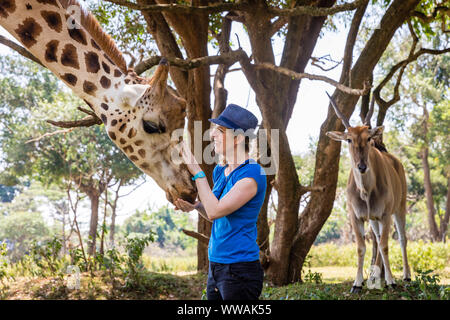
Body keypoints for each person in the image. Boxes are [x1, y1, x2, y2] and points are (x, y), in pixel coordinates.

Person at [175, 104, 267, 300]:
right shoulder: (220, 170)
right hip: (216, 266)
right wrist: (195, 206)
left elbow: (216, 210)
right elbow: (212, 212)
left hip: (240, 270)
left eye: (221, 131)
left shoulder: (253, 173)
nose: (213, 135)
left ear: (239, 138)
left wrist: (197, 172)